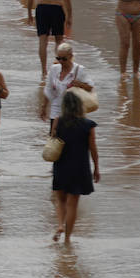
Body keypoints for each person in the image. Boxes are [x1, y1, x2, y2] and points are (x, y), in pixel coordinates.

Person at [50, 89, 100, 243]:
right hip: (80, 167)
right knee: (72, 204)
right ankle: (67, 239)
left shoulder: (58, 121)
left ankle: (60, 225)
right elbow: (93, 148)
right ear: (80, 106)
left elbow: (53, 139)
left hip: (61, 165)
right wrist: (96, 168)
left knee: (60, 200)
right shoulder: (88, 125)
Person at [28, 0, 72, 77]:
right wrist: (70, 16)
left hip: (42, 9)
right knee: (59, 40)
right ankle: (59, 67)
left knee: (43, 40)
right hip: (57, 8)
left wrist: (29, 14)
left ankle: (44, 71)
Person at [40, 43, 94, 134]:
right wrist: (44, 107)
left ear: (71, 56)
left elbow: (90, 88)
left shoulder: (79, 69)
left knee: (71, 142)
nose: (61, 61)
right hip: (56, 111)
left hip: (73, 113)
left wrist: (80, 84)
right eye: (58, 58)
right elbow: (48, 89)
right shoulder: (54, 69)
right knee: (55, 142)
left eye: (64, 59)